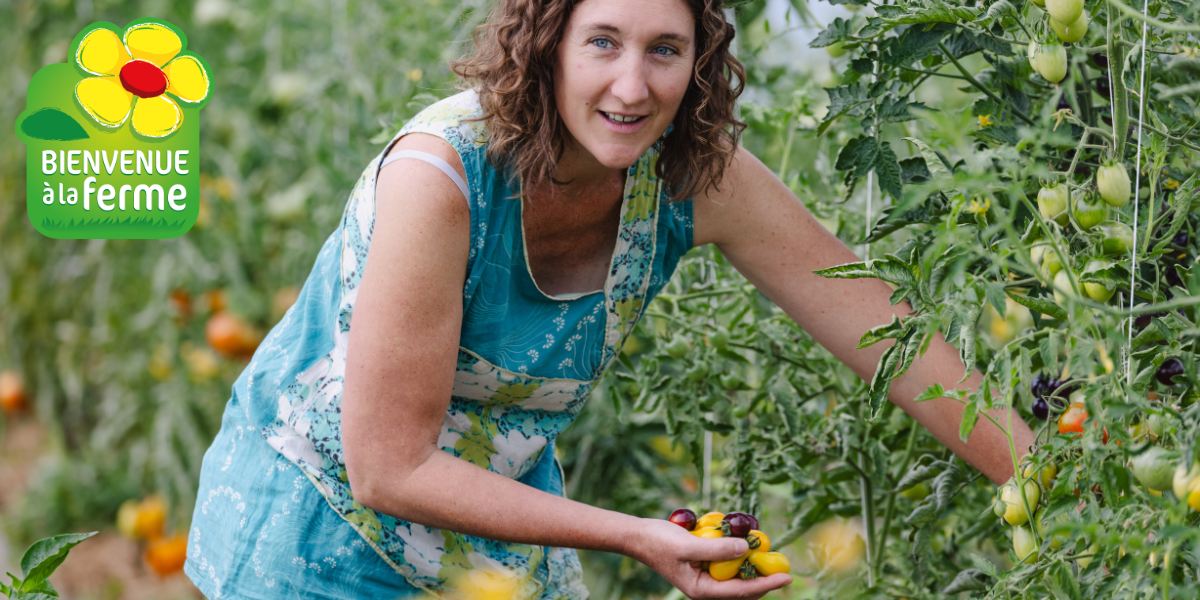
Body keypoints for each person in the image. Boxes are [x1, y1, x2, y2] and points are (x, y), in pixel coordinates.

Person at [185, 0, 1036, 597]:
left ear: (699, 61)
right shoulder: (441, 181)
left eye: (664, 49)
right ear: (547, 44)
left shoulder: (696, 180)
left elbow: (882, 328)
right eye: (602, 42)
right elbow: (388, 466)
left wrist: (1046, 479)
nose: (633, 87)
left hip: (498, 531)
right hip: (321, 542)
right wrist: (635, 534)